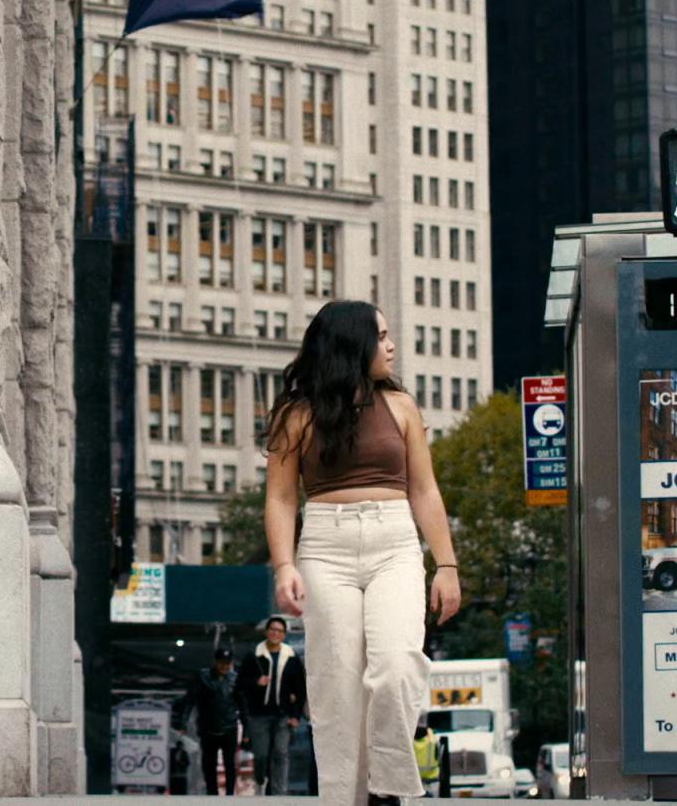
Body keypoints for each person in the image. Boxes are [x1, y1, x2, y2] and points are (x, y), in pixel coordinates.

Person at [261, 300, 462, 806]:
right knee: (337, 685)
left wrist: (447, 565)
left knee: (396, 664)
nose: (392, 346)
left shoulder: (401, 407)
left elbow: (425, 490)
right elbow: (282, 498)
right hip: (325, 548)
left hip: (394, 542)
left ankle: (386, 788)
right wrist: (284, 565)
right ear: (353, 345)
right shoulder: (297, 415)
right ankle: (344, 797)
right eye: (382, 336)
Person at [236, 615, 307, 794]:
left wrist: (296, 716)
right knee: (261, 755)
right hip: (259, 714)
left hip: (283, 714)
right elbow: (239, 685)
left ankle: (279, 792)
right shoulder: (254, 656)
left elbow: (300, 689)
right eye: (273, 630)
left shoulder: (291, 657)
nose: (276, 633)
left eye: (280, 631)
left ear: (284, 635)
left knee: (281, 753)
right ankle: (261, 780)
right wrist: (256, 682)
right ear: (267, 632)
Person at [175, 645, 243, 796]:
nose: (224, 666)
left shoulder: (235, 679)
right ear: (216, 662)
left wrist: (247, 729)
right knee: (208, 764)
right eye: (221, 663)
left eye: (227, 663)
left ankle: (230, 794)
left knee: (229, 763)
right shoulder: (203, 677)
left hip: (229, 727)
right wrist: (183, 722)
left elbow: (243, 704)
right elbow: (189, 700)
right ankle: (212, 794)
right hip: (208, 727)